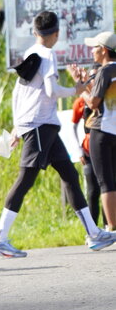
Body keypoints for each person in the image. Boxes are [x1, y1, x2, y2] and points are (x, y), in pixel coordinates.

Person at [0, 11, 116, 257]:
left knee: (70, 175)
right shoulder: (48, 54)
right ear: (56, 33)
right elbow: (51, 90)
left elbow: (18, 93)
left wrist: (17, 125)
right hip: (39, 125)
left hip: (41, 124)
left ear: (35, 32)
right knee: (25, 179)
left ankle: (94, 234)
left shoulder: (31, 53)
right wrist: (76, 89)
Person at [81, 30, 116, 231]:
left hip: (102, 129)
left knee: (105, 182)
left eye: (95, 47)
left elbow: (93, 103)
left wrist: (81, 87)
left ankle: (111, 227)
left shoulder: (104, 71)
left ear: (103, 50)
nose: (92, 51)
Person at [71, 62, 104, 226]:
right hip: (88, 149)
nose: (94, 80)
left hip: (107, 147)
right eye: (91, 77)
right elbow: (73, 126)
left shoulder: (108, 96)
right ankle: (93, 229)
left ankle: (109, 226)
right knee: (92, 191)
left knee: (108, 188)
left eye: (97, 77)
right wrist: (78, 150)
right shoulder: (80, 101)